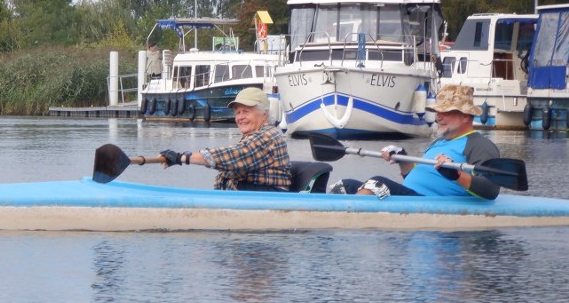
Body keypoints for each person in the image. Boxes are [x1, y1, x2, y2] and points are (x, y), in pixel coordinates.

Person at [328, 84, 501, 200]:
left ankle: (347, 217)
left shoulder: (479, 145)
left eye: (445, 112)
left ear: (465, 116)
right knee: (344, 185)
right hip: (412, 197)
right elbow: (414, 179)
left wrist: (455, 175)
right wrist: (403, 159)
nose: (438, 117)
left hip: (431, 205)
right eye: (437, 112)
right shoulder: (439, 143)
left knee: (376, 182)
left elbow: (491, 189)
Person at [159, 87, 291, 191]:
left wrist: (182, 157)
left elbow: (233, 156)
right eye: (238, 112)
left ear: (264, 114)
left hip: (267, 198)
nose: (240, 117)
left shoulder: (266, 136)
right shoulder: (255, 136)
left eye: (246, 111)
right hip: (249, 196)